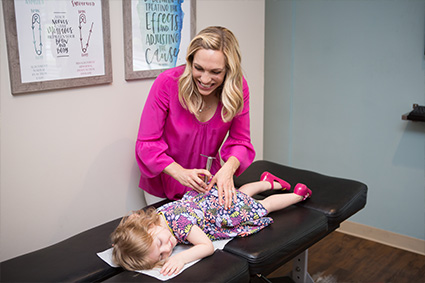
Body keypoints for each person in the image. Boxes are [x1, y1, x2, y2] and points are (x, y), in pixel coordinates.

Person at [135, 26, 255, 208]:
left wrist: (227, 170)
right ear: (190, 61)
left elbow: (240, 140)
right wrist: (180, 173)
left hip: (207, 182)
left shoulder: (237, 88)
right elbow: (147, 145)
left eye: (215, 72)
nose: (205, 80)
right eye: (198, 68)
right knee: (170, 235)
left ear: (229, 70)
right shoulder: (167, 83)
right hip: (164, 183)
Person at [111, 172, 312, 275]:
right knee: (241, 194)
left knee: (262, 206)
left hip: (224, 212)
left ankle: (298, 196)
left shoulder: (180, 224)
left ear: (149, 228)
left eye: (160, 244)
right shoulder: (158, 216)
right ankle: (269, 182)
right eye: (163, 255)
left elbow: (206, 247)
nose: (168, 248)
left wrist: (182, 259)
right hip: (211, 200)